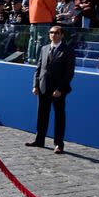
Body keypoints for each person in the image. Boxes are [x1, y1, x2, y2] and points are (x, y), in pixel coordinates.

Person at [26, 25, 75, 154]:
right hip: (43, 87)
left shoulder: (68, 50)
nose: (54, 35)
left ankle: (59, 144)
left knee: (59, 116)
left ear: (62, 35)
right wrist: (35, 85)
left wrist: (60, 89)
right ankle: (39, 139)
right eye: (51, 32)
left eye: (57, 33)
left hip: (58, 90)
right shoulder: (44, 48)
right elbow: (39, 68)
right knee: (41, 114)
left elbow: (69, 73)